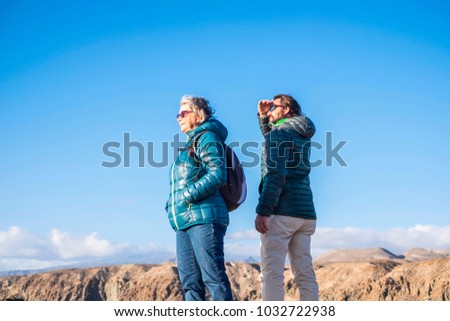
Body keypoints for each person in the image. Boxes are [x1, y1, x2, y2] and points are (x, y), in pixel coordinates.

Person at [166, 95, 233, 301]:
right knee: (190, 286)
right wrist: (171, 206)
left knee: (214, 280)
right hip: (183, 220)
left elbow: (217, 174)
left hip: (204, 218)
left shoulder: (207, 137)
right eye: (178, 114)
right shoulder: (191, 143)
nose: (179, 117)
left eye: (184, 113)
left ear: (198, 114)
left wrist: (186, 196)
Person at [255, 94, 319, 301]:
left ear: (287, 109)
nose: (270, 109)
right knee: (304, 273)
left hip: (282, 212)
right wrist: (264, 117)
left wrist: (263, 210)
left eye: (274, 106)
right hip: (305, 213)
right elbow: (272, 137)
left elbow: (276, 174)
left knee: (272, 273)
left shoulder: (281, 133)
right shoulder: (301, 133)